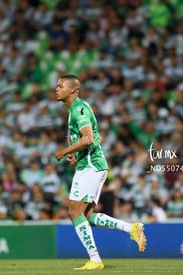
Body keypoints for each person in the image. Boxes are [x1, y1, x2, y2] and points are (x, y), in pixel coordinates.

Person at [53, 75, 147, 270]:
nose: (56, 88)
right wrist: (75, 156)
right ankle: (131, 228)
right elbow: (96, 137)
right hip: (88, 165)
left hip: (91, 166)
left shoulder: (78, 109)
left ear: (72, 90)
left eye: (60, 86)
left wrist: (64, 151)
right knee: (84, 217)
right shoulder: (76, 109)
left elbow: (88, 139)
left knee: (73, 211)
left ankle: (95, 259)